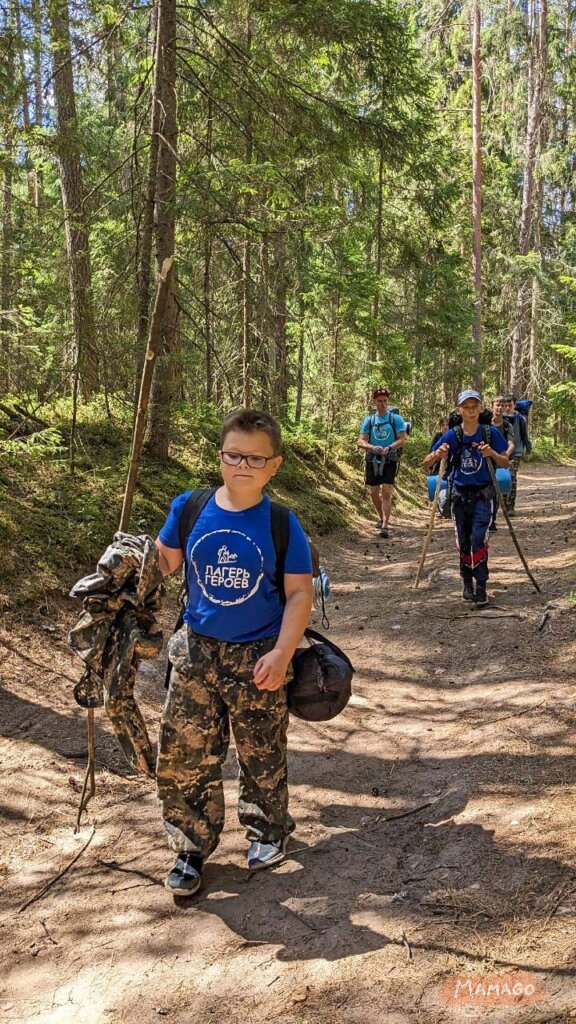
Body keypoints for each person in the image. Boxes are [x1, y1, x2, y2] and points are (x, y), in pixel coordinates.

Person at [154, 409, 314, 896]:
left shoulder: (283, 524)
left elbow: (299, 594)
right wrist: (127, 564)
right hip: (196, 655)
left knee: (261, 752)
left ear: (274, 464)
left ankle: (267, 831)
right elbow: (162, 565)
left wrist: (284, 653)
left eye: (255, 457)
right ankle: (190, 846)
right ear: (219, 455)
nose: (243, 464)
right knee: (185, 755)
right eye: (233, 454)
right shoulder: (190, 508)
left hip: (259, 656)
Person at [423, 389, 509, 606]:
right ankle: (467, 584)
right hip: (459, 497)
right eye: (466, 407)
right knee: (463, 541)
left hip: (483, 496)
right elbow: (427, 461)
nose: (471, 411)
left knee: (478, 538)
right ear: (459, 410)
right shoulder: (453, 435)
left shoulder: (490, 433)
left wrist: (493, 454)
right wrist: (438, 453)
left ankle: (481, 586)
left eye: (475, 407)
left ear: (481, 409)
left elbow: (505, 462)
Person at [358, 387, 407, 538]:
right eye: (379, 401)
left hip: (390, 458)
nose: (383, 404)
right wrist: (373, 447)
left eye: (385, 401)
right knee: (373, 492)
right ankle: (381, 517)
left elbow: (402, 439)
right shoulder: (369, 420)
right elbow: (360, 441)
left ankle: (385, 525)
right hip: (372, 459)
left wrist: (390, 447)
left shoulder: (396, 419)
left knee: (386, 491)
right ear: (374, 402)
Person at [489, 396, 515, 531]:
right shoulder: (485, 423)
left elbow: (511, 443)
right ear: (492, 406)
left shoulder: (506, 425)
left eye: (502, 406)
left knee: (495, 491)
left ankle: (491, 521)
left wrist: (504, 455)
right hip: (485, 461)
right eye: (497, 405)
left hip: (499, 462)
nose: (499, 408)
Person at [502, 395, 532, 515]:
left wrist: (528, 450)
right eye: (506, 405)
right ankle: (503, 502)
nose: (508, 407)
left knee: (512, 478)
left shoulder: (520, 419)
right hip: (501, 453)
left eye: (510, 405)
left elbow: (524, 435)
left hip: (516, 452)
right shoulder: (500, 419)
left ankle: (510, 506)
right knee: (503, 477)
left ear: (515, 405)